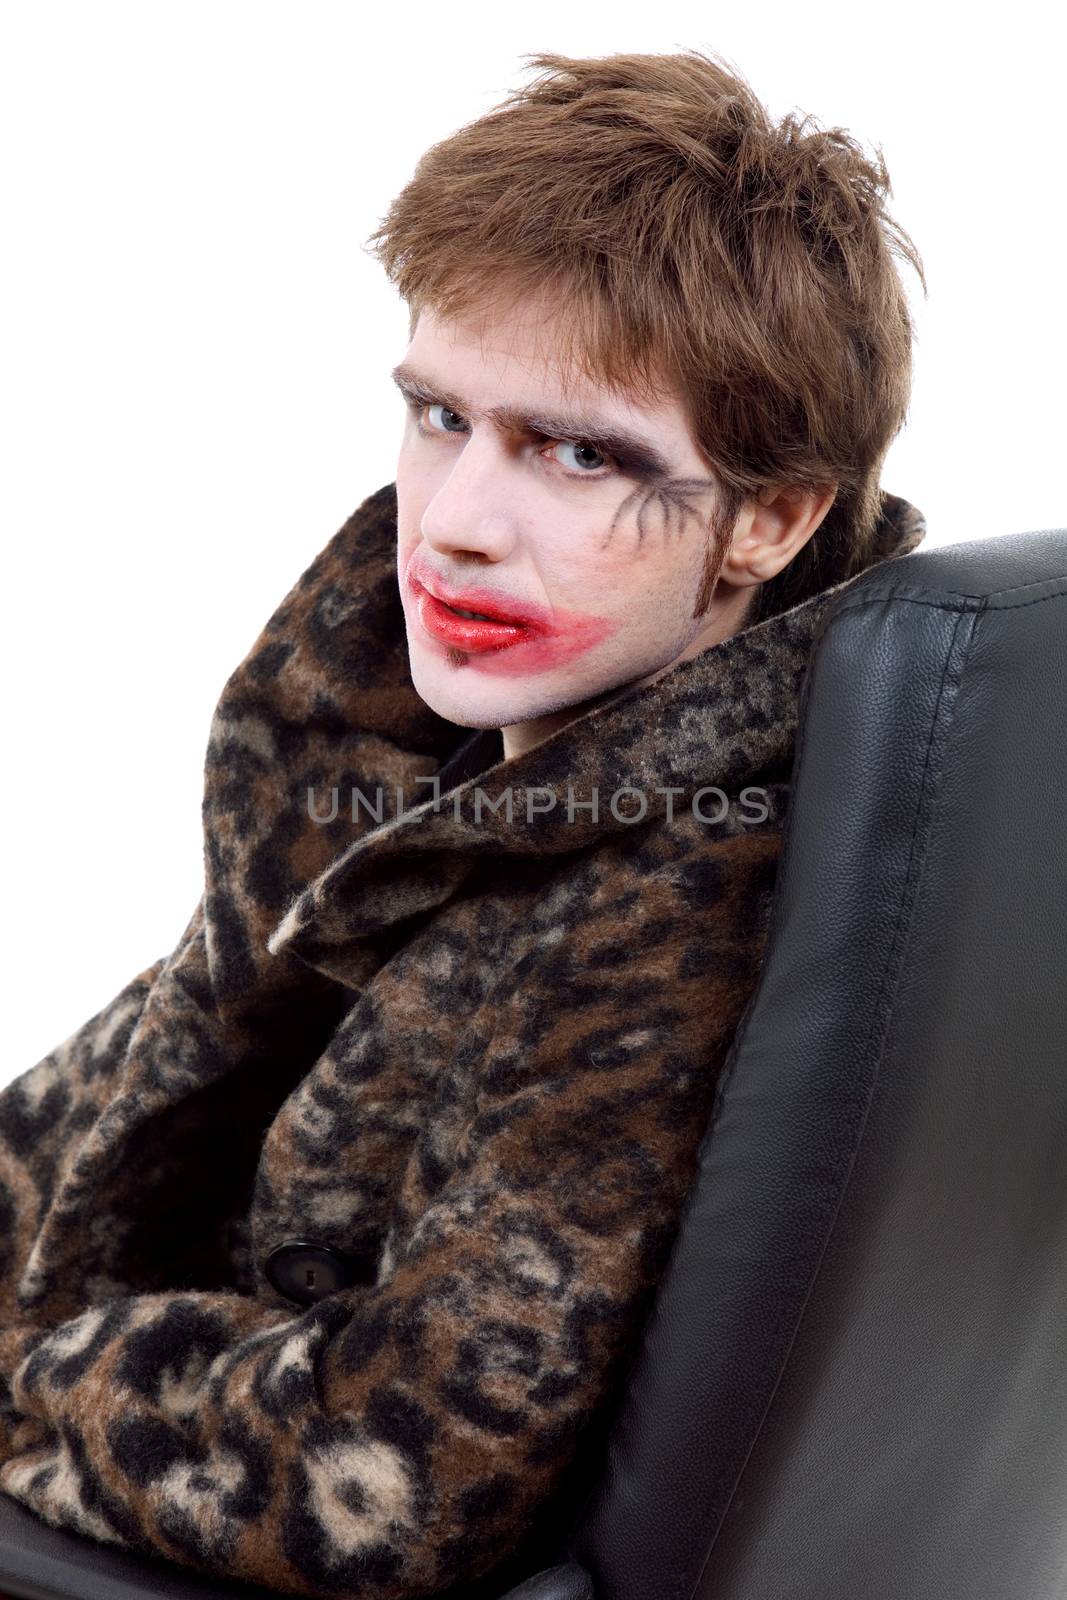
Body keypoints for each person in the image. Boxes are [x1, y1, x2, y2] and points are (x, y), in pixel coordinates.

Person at [0, 47, 926, 1600]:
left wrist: (26, 1378)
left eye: (580, 453)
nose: (455, 524)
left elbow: (397, 1476)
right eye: (440, 416)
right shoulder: (419, 767)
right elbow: (104, 1116)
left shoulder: (670, 903)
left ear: (771, 519)